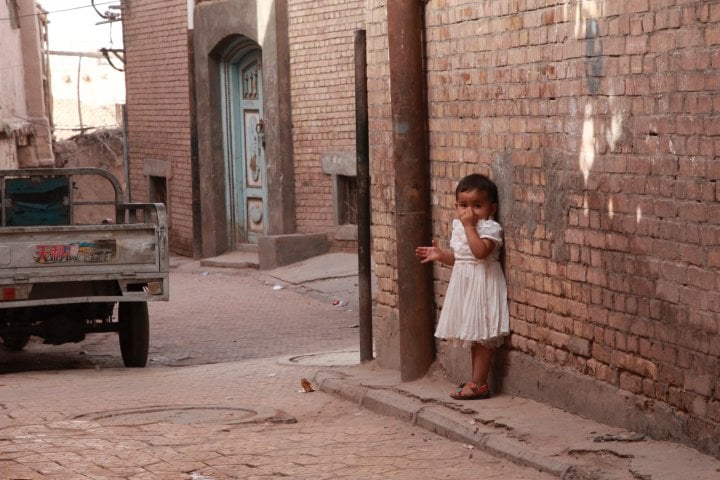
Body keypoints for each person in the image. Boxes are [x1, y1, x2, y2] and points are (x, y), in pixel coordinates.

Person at [416, 173, 510, 400]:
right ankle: (475, 381)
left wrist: (470, 228)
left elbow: (480, 253)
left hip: (483, 283)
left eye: (477, 206)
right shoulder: (461, 227)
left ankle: (479, 384)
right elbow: (462, 257)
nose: (470, 212)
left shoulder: (490, 228)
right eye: (464, 205)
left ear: (492, 208)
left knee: (483, 335)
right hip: (467, 285)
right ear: (456, 206)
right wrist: (442, 255)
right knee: (474, 335)